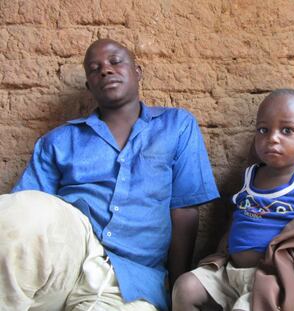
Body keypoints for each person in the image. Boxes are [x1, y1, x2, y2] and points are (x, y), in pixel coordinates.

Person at [0, 39, 219, 311]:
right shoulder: (58, 141)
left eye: (115, 62)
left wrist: (177, 291)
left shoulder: (176, 126)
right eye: (94, 69)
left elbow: (184, 212)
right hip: (67, 258)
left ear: (137, 72)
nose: (105, 70)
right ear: (88, 86)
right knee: (18, 206)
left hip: (134, 279)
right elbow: (27, 218)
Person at [172, 89, 294, 311]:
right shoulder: (250, 175)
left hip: (270, 279)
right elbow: (241, 216)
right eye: (263, 129)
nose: (272, 138)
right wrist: (224, 246)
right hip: (229, 271)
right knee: (184, 287)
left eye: (287, 130)